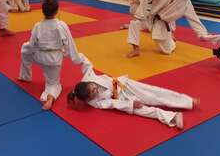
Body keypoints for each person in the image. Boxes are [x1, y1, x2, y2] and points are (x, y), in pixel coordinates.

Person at [68, 54, 200, 129]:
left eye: (93, 87)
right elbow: (112, 104)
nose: (96, 90)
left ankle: (186, 101)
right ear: (89, 98)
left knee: (154, 94)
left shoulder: (87, 76)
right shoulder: (94, 102)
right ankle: (172, 116)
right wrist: (131, 104)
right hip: (121, 99)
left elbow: (85, 62)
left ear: (88, 82)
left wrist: (73, 54)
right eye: (93, 93)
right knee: (144, 111)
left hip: (125, 85)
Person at [18, 0, 84, 110]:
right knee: (53, 84)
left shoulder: (38, 26)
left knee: (24, 51)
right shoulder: (61, 25)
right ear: (57, 11)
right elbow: (70, 42)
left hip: (40, 57)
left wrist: (30, 49)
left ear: (42, 11)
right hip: (54, 59)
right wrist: (74, 57)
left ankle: (25, 76)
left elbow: (32, 44)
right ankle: (50, 98)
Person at [127, 0, 207, 57]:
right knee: (134, 24)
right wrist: (140, 15)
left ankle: (170, 41)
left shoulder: (186, 2)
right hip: (149, 17)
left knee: (167, 50)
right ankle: (136, 49)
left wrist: (202, 34)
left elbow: (193, 18)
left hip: (161, 23)